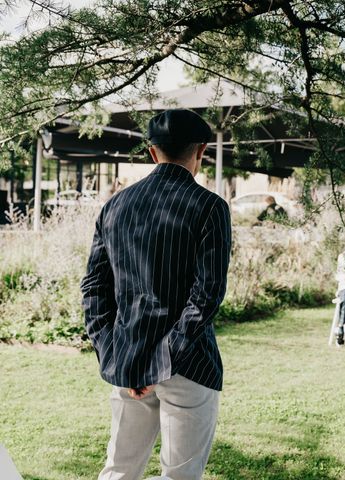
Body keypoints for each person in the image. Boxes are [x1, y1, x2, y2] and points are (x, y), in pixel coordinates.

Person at [81, 109, 232, 480]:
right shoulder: (211, 207)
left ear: (152, 152)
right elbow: (207, 293)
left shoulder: (114, 206)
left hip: (128, 360)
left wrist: (111, 349)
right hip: (187, 364)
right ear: (201, 151)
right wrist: (167, 355)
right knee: (180, 476)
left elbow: (94, 289)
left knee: (119, 470)